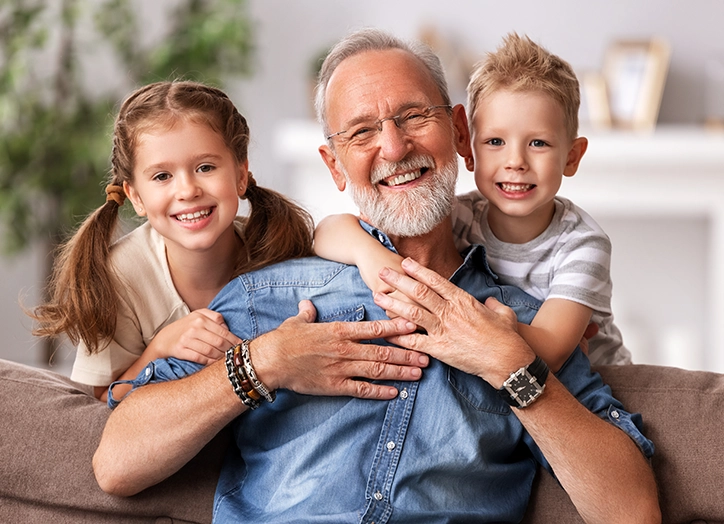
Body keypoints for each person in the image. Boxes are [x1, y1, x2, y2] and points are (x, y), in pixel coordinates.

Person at [93, 29, 660, 523]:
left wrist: (509, 364)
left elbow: (633, 511)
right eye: (361, 132)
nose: (394, 146)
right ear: (334, 165)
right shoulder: (268, 294)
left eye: (414, 116)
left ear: (459, 133)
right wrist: (265, 362)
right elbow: (117, 463)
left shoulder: (520, 321)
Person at [30, 80, 421, 403]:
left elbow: (327, 231)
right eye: (162, 176)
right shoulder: (121, 275)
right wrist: (161, 347)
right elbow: (104, 401)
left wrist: (368, 252)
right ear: (135, 196)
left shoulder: (272, 242)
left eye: (205, 167)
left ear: (240, 173)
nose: (187, 190)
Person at [313, 32, 629, 371]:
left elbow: (550, 352)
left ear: (572, 157)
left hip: (604, 381)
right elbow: (327, 232)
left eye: (538, 143)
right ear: (468, 145)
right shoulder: (464, 215)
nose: (515, 162)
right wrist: (369, 256)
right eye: (495, 141)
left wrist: (464, 325)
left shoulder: (582, 246)